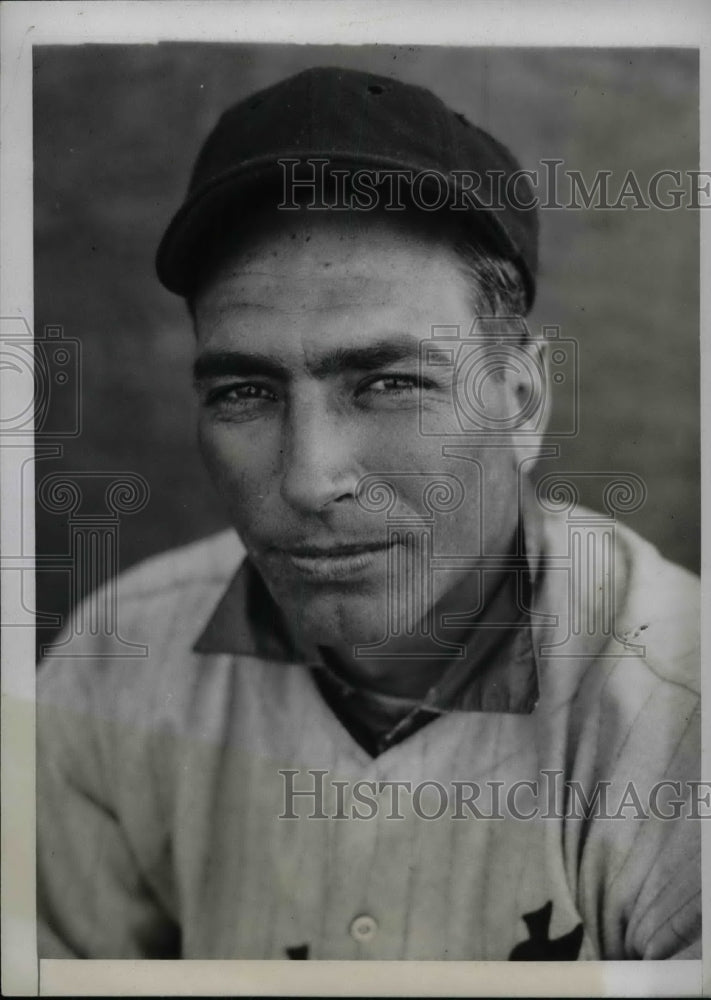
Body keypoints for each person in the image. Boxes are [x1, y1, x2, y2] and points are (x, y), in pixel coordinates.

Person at [37, 65, 700, 961]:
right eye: (244, 390)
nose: (310, 480)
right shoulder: (113, 663)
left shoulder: (678, 721)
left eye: (390, 383)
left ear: (522, 398)